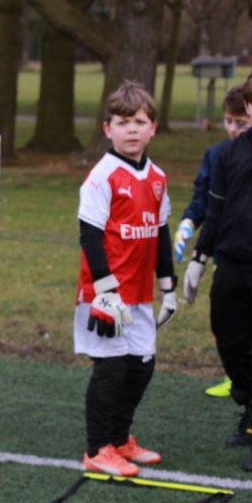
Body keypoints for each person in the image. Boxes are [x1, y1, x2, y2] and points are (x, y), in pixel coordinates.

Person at [183, 63, 252, 472]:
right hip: (231, 266)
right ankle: (248, 412)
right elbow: (217, 209)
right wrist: (199, 259)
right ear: (247, 107)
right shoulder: (230, 153)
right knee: (229, 341)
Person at [74, 81, 177, 477]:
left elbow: (161, 232)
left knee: (141, 367)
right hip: (106, 295)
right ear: (107, 129)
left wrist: (167, 287)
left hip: (140, 295)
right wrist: (105, 291)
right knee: (111, 369)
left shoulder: (157, 176)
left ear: (153, 127)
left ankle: (119, 440)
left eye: (139, 121)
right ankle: (97, 449)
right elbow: (90, 236)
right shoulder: (102, 177)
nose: (131, 129)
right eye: (122, 122)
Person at [172, 85, 252, 398]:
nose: (233, 129)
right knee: (228, 325)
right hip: (225, 254)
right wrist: (189, 222)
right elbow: (205, 199)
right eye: (229, 121)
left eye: (240, 122)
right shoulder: (216, 155)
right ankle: (238, 378)